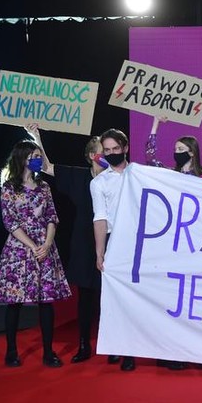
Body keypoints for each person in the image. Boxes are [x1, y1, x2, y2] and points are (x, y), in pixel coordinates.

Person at [26, 124, 105, 363]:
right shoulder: (79, 176)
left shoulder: (117, 178)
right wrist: (36, 136)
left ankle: (112, 345)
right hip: (84, 241)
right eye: (102, 151)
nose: (107, 154)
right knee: (86, 296)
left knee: (110, 296)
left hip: (110, 240)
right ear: (92, 155)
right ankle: (84, 344)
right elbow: (47, 167)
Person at [0, 140, 71, 368]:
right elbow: (10, 221)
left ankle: (48, 352)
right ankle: (11, 351)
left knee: (46, 301)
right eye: (34, 157)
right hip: (19, 249)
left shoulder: (44, 187)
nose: (38, 160)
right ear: (22, 158)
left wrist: (46, 243)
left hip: (44, 247)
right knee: (14, 301)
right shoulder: (9, 187)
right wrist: (31, 245)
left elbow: (52, 216)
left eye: (38, 156)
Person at [90, 128, 137, 372]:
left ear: (125, 148)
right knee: (116, 298)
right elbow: (100, 218)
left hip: (142, 243)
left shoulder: (140, 174)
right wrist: (100, 252)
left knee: (136, 298)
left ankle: (134, 348)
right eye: (107, 150)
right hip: (116, 242)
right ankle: (119, 347)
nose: (111, 153)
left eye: (115, 149)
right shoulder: (99, 182)